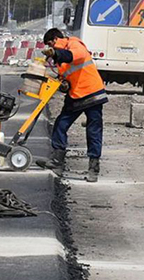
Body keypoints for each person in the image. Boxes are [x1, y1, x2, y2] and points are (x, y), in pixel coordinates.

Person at [39, 28, 107, 182]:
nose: (52, 49)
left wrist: (55, 54)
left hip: (92, 93)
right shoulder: (60, 60)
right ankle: (57, 161)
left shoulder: (74, 44)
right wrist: (64, 84)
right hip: (76, 95)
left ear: (56, 39)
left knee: (93, 131)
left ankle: (93, 168)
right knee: (60, 124)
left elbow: (74, 56)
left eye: (51, 45)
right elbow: (69, 75)